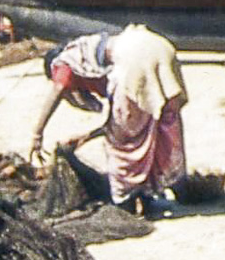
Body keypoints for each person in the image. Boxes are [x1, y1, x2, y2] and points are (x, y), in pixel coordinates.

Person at [29, 25, 188, 213]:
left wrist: (37, 134)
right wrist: (86, 136)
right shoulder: (89, 57)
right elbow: (114, 120)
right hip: (158, 45)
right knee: (162, 121)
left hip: (134, 58)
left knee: (121, 144)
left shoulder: (63, 61)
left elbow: (59, 89)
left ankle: (126, 200)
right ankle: (166, 188)